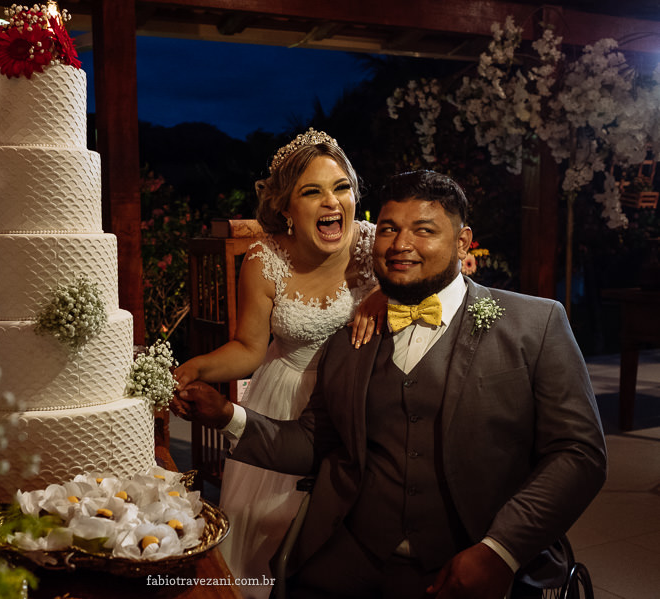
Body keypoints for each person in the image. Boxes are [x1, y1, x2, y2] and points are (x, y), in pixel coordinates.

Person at [173, 170, 607, 599]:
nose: (401, 245)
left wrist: (501, 552)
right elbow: (313, 441)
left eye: (423, 230)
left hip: (473, 561)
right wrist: (227, 416)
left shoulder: (537, 324)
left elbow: (579, 453)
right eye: (388, 229)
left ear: (462, 241)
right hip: (344, 561)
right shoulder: (349, 339)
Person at [173, 128, 384, 596]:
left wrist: (385, 292)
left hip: (358, 400)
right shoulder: (264, 261)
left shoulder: (375, 245)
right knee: (272, 530)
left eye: (341, 187)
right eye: (312, 192)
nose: (332, 202)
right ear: (287, 208)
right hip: (285, 400)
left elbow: (440, 264)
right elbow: (249, 348)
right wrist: (197, 367)